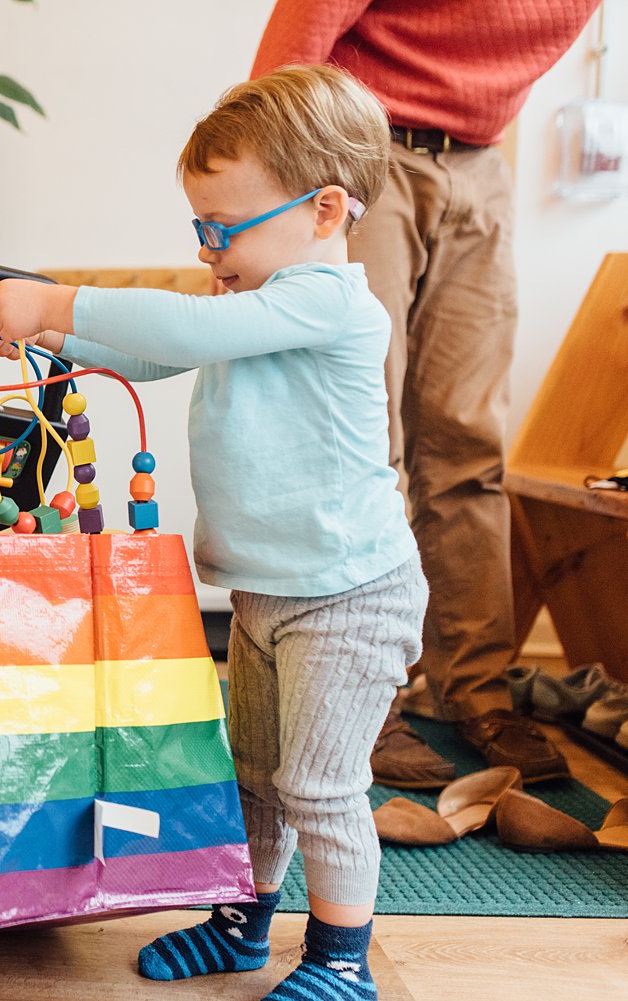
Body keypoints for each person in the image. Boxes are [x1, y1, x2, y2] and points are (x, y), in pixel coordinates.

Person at [0, 66, 423, 999]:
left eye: (224, 228)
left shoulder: (330, 302)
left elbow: (169, 328)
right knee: (252, 776)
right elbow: (152, 349)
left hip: (349, 596)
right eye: (199, 227)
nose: (210, 248)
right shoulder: (247, 311)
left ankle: (342, 959)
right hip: (265, 592)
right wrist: (56, 341)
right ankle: (240, 921)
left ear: (325, 210)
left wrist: (56, 304)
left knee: (321, 786)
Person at [251, 0, 603, 788]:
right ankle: (360, 702)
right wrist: (259, 197)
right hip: (356, 154)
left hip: (480, 166)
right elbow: (301, 28)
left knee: (470, 446)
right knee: (361, 444)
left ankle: (473, 693)